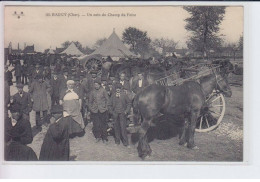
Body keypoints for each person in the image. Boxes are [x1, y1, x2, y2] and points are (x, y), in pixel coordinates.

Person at [89, 78, 109, 143]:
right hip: (95, 111)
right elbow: (90, 101)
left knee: (103, 124)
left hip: (102, 110)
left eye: (97, 85)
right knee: (96, 124)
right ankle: (97, 137)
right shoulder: (92, 91)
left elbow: (107, 100)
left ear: (100, 85)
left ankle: (104, 138)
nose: (96, 86)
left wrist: (105, 107)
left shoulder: (103, 90)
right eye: (95, 85)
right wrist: (91, 109)